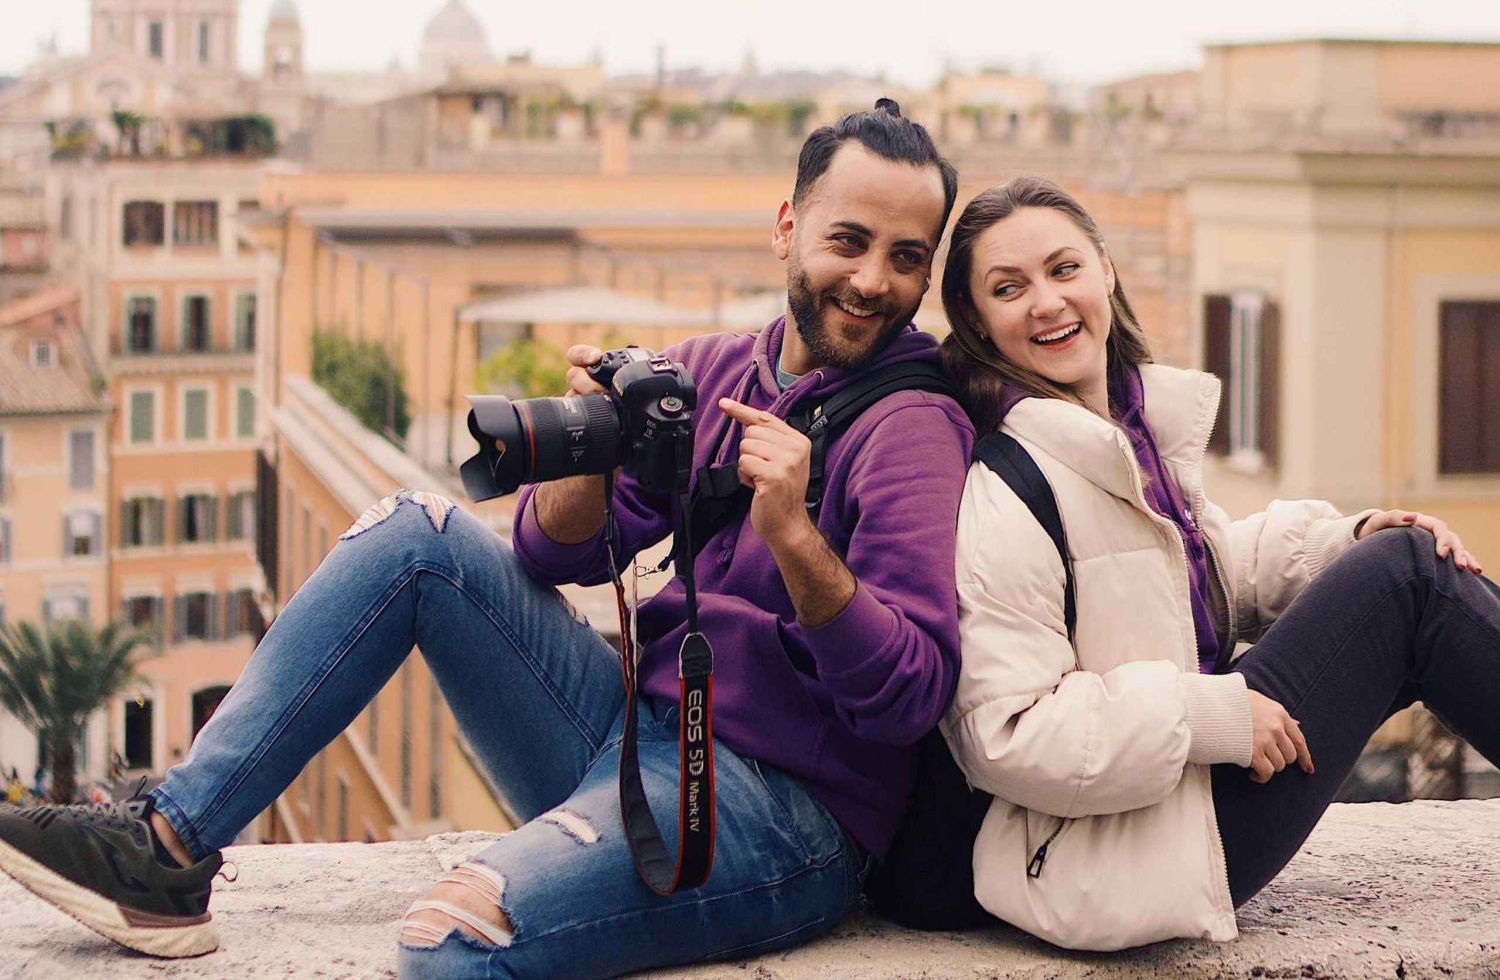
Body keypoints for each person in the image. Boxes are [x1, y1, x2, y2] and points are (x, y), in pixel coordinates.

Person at [0, 100, 974, 978]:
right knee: (415, 533)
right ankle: (166, 846)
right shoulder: (714, 369)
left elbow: (909, 693)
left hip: (778, 809)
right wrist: (591, 449)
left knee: (458, 930)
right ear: (786, 227)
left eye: (906, 257)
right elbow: (551, 556)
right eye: (849, 240)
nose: (873, 279)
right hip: (633, 731)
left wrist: (796, 539)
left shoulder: (910, 426)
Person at [934, 175, 1500, 951]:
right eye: (1009, 287)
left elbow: (1193, 570)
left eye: (1064, 269)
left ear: (1105, 269)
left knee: (1398, 561)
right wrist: (1209, 714)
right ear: (977, 320)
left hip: (1177, 803)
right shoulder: (1006, 487)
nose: (1046, 302)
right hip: (1128, 846)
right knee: (1410, 577)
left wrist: (1345, 538)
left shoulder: (1124, 431)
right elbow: (1007, 734)